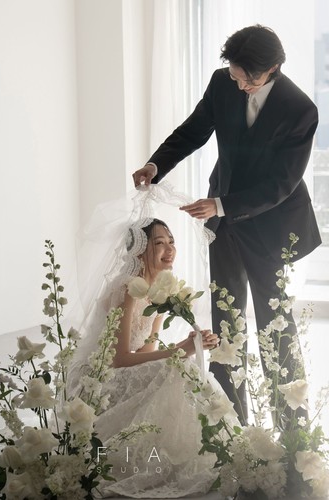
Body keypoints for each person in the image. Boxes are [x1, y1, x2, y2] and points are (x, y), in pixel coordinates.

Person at [132, 25, 321, 422]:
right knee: (226, 320)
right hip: (225, 225)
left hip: (271, 224)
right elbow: (193, 130)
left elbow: (282, 184)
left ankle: (291, 429)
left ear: (272, 68)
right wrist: (156, 164)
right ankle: (231, 424)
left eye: (247, 80)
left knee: (275, 327)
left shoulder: (300, 109)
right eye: (235, 76)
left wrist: (220, 205)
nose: (240, 86)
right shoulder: (223, 82)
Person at [69, 206, 238, 498]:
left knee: (179, 369)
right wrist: (181, 351)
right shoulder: (126, 290)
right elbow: (121, 359)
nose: (169, 249)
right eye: (159, 243)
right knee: (179, 367)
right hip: (97, 382)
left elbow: (148, 353)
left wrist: (190, 345)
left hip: (120, 372)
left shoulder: (159, 293)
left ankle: (200, 448)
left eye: (171, 241)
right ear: (139, 250)